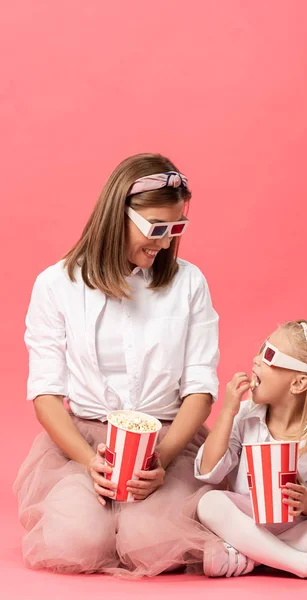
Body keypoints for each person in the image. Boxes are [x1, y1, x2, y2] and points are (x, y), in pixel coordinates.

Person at [14, 153, 219, 577]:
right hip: (84, 443)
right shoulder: (56, 285)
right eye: (155, 228)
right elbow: (46, 395)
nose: (164, 242)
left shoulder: (188, 282)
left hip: (166, 439)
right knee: (77, 541)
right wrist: (91, 462)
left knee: (154, 543)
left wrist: (160, 458)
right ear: (117, 215)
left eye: (175, 228)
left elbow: (200, 389)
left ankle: (136, 520)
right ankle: (105, 517)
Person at [194, 320, 307, 583]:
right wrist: (227, 412)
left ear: (298, 383)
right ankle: (305, 564)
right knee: (208, 503)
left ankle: (249, 556)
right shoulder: (246, 417)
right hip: (247, 519)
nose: (256, 359)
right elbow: (208, 472)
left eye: (269, 355)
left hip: (298, 526)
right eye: (261, 348)